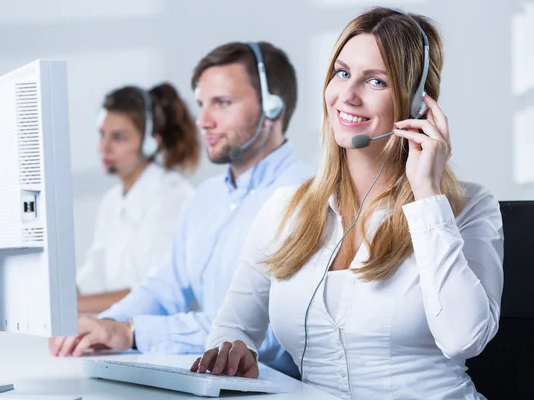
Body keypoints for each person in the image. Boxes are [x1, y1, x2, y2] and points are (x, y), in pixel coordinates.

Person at [192, 7, 504, 399]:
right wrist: (236, 351)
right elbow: (232, 327)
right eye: (342, 73)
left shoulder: (467, 206)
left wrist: (426, 192)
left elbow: (464, 339)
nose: (348, 96)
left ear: (417, 104)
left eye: (376, 81)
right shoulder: (285, 209)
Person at [50, 41, 314, 377]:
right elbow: (166, 286)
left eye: (221, 103)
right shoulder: (205, 198)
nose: (203, 121)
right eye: (202, 104)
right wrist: (105, 324)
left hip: (272, 384)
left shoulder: (305, 196)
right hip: (209, 377)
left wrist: (134, 333)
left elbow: (273, 332)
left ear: (273, 107)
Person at [76, 83, 201, 314]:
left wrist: (68, 306)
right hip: (116, 333)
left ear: (151, 142)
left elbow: (153, 292)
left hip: (159, 338)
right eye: (101, 134)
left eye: (119, 137)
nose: (104, 147)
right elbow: (93, 276)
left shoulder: (173, 196)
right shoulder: (111, 201)